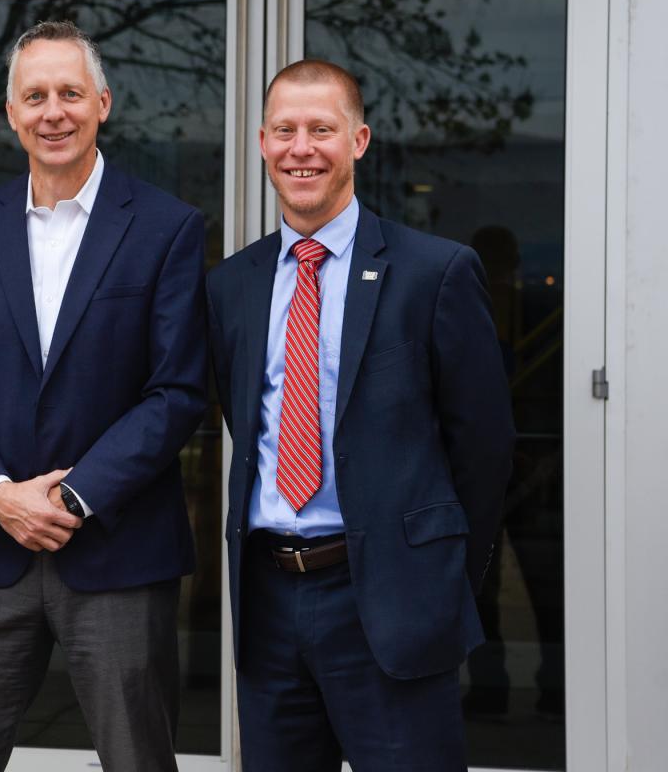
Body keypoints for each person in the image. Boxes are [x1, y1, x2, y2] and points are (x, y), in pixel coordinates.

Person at [0, 20, 206, 771]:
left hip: (117, 551)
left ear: (102, 103)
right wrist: (0, 495)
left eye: (70, 93)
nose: (54, 111)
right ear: (10, 113)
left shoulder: (167, 228)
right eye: (34, 95)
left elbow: (175, 392)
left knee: (138, 759)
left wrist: (74, 498)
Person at [206, 60, 514, 771]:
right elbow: (245, 423)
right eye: (285, 130)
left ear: (360, 140)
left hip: (391, 602)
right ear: (261, 142)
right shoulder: (231, 286)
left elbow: (485, 448)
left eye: (322, 129)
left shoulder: (435, 272)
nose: (301, 148)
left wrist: (438, 580)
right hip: (270, 603)